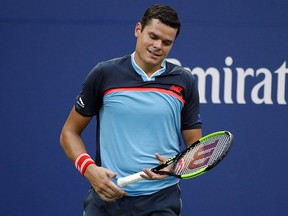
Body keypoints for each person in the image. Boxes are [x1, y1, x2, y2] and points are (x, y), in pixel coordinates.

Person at [60, 4, 202, 216]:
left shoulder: (184, 81)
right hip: (106, 199)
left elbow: (196, 148)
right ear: (138, 30)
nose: (157, 46)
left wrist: (175, 167)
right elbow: (68, 133)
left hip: (161, 200)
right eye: (152, 36)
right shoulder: (104, 73)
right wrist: (89, 169)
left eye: (166, 42)